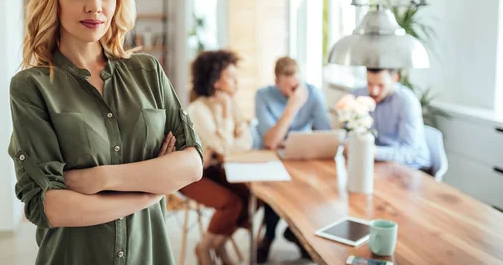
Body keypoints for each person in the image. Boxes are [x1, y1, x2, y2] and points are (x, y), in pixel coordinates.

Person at [7, 0, 203, 265]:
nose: (95, 6)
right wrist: (151, 190)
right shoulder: (32, 87)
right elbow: (54, 207)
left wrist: (101, 179)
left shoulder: (148, 71)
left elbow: (192, 164)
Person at [254, 56, 332, 263]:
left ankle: (296, 232)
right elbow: (270, 141)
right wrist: (293, 106)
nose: (296, 91)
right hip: (272, 157)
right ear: (276, 82)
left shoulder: (313, 93)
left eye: (297, 86)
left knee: (317, 187)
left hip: (303, 157)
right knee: (276, 189)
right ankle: (269, 236)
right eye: (289, 87)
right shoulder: (263, 95)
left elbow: (326, 133)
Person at [179, 50, 253, 265]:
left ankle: (218, 245)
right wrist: (227, 120)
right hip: (191, 175)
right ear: (216, 82)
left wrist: (229, 132)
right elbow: (226, 147)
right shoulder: (198, 109)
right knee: (231, 203)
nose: (236, 81)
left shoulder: (229, 103)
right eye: (230, 76)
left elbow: (245, 143)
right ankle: (203, 249)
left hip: (213, 169)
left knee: (251, 199)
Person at [350, 68, 431, 169]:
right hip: (380, 163)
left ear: (394, 79)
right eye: (369, 84)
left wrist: (374, 152)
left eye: (381, 85)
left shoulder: (407, 101)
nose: (374, 91)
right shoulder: (358, 94)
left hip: (413, 166)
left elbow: (411, 151)